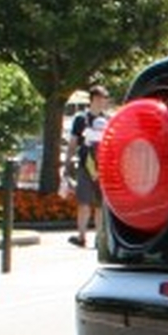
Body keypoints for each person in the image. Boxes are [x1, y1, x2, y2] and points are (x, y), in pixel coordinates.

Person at [68, 85, 110, 245]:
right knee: (83, 201)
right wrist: (68, 164)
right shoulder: (81, 119)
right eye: (99, 99)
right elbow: (73, 143)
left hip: (103, 167)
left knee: (100, 204)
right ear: (92, 100)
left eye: (104, 99)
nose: (102, 103)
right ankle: (81, 236)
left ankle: (99, 238)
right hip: (86, 164)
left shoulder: (107, 120)